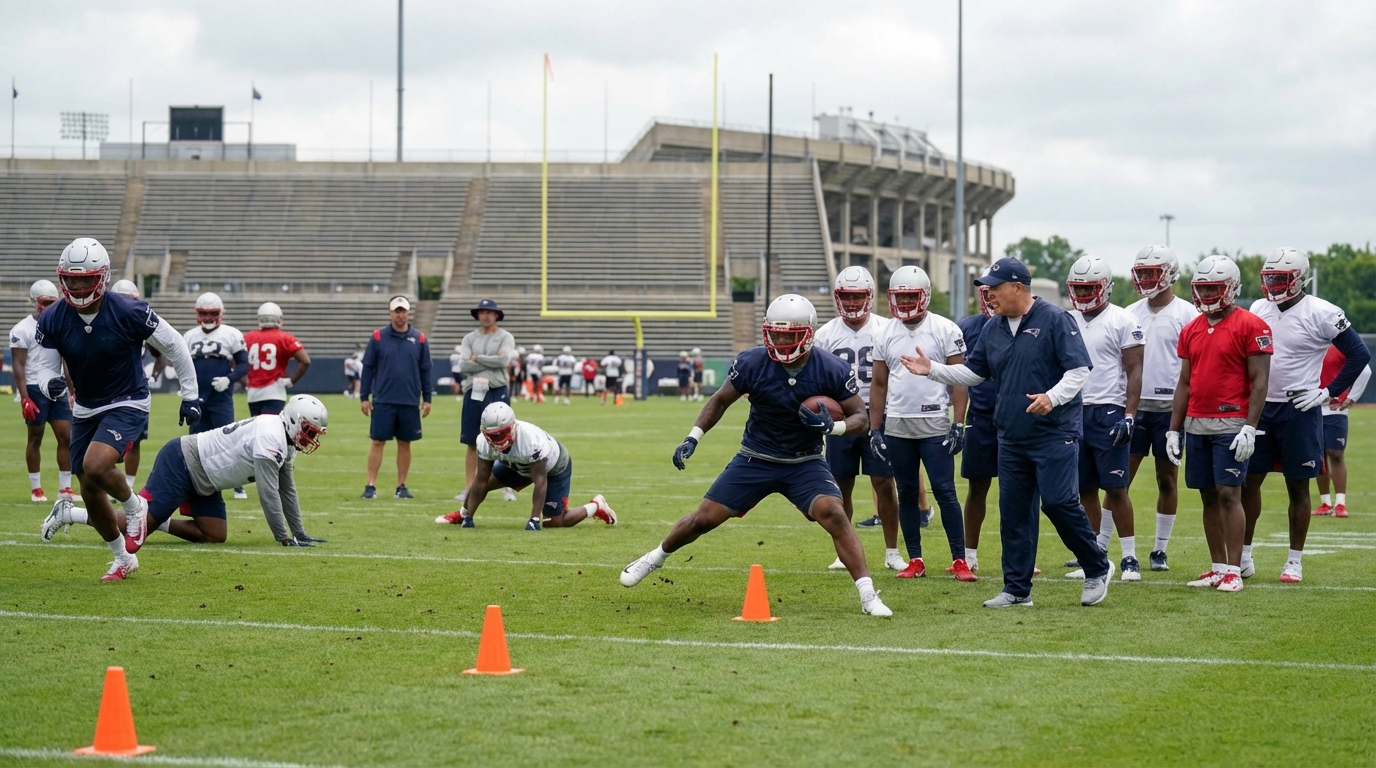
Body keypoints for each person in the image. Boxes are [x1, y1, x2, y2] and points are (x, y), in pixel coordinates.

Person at [620, 294, 893, 617]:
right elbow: (720, 400)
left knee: (834, 512)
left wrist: (832, 427)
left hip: (803, 461)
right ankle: (654, 558)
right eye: (775, 333)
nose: (779, 341)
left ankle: (867, 595)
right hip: (756, 458)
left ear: (807, 334)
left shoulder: (831, 368)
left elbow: (860, 417)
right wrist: (693, 437)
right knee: (703, 519)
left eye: (787, 336)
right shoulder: (751, 362)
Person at [901, 257, 1113, 608]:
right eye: (986, 288)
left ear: (1018, 287)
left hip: (1054, 432)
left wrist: (1052, 398)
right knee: (1014, 514)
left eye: (994, 287)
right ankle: (1017, 590)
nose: (989, 294)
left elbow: (1079, 371)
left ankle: (1096, 566)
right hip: (1011, 436)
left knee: (1059, 503)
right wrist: (933, 370)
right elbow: (974, 373)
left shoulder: (1055, 319)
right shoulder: (993, 328)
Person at [35, 237, 200, 581]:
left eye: (86, 279)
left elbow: (175, 344)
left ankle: (135, 505)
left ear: (103, 277)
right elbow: (45, 365)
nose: (78, 287)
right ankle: (122, 557)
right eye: (72, 279)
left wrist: (191, 395)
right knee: (88, 488)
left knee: (96, 465)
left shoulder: (129, 310)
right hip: (85, 406)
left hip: (128, 399)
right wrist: (49, 381)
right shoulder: (52, 318)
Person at [44, 395, 330, 549]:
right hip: (183, 463)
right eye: (308, 431)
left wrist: (300, 533)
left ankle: (158, 519)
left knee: (214, 534)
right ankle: (70, 513)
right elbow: (269, 494)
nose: (309, 438)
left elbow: (286, 489)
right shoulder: (272, 437)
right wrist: (284, 537)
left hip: (206, 479)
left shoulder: (284, 439)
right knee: (133, 527)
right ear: (294, 420)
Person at [1243, 248, 1371, 582]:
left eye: (1280, 278)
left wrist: (1327, 392)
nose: (1273, 285)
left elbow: (1359, 355)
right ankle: (1243, 555)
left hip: (1299, 409)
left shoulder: (1322, 312)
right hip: (1260, 408)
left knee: (1298, 487)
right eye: (1269, 278)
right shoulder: (1259, 308)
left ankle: (1294, 561)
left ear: (1300, 279)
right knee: (1247, 483)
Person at [1165, 255, 1272, 592]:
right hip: (1196, 422)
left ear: (1231, 288)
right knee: (1208, 496)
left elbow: (1260, 381)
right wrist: (1173, 427)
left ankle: (1235, 570)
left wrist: (1250, 426)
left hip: (1231, 421)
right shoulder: (1191, 329)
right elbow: (1184, 382)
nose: (1208, 293)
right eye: (1203, 287)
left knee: (1229, 494)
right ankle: (1217, 566)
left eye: (1214, 287)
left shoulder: (1252, 325)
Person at [869, 266, 974, 581]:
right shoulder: (885, 332)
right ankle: (915, 559)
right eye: (900, 296)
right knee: (907, 490)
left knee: (944, 491)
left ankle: (960, 559)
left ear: (924, 295)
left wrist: (958, 422)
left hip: (933, 421)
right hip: (898, 423)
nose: (904, 302)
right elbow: (878, 384)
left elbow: (960, 380)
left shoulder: (945, 329)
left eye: (910, 295)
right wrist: (875, 429)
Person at [813, 266, 904, 572]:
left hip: (878, 415)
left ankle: (892, 551)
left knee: (884, 483)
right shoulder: (825, 334)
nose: (851, 302)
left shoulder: (886, 328)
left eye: (857, 295)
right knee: (840, 487)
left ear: (868, 296)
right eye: (846, 296)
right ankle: (844, 551)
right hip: (841, 419)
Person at [1061, 256, 1145, 582]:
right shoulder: (1066, 320)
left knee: (1116, 487)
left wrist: (1130, 415)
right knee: (1084, 490)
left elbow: (1135, 370)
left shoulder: (1123, 319)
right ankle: (1096, 559)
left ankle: (1130, 558)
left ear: (1105, 287)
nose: (1083, 295)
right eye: (1078, 288)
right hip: (1073, 409)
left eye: (1089, 288)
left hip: (1109, 410)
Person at [1124, 245, 1198, 571]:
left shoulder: (1188, 314)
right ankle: (1099, 547)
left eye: (1152, 273)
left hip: (1171, 408)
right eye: (1141, 273)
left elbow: (1194, 366)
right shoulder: (1129, 312)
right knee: (1118, 480)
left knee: (1167, 479)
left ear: (1169, 273)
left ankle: (1159, 550)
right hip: (1136, 407)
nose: (1145, 280)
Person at [437, 402, 617, 530]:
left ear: (512, 426)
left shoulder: (530, 441)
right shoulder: (484, 442)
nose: (499, 440)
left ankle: (596, 506)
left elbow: (540, 482)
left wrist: (533, 519)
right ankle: (463, 513)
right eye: (494, 435)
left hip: (553, 466)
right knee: (483, 483)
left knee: (554, 522)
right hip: (518, 463)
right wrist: (468, 517)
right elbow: (480, 480)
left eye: (502, 434)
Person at [360, 296, 432, 500]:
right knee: (377, 442)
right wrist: (364, 397)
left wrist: (427, 398)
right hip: (383, 399)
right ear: (390, 313)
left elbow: (425, 370)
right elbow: (368, 368)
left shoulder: (419, 339)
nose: (400, 315)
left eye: (404, 311)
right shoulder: (378, 337)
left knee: (405, 443)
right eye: (396, 311)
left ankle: (401, 485)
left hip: (409, 400)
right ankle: (371, 485)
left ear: (409, 313)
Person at [10, 279, 73, 503]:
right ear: (35, 302)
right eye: (45, 302)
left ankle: (65, 488)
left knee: (66, 437)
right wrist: (25, 397)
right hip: (34, 387)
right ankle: (36, 488)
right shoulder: (22, 329)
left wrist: (72, 390)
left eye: (52, 302)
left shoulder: (60, 325)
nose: (48, 307)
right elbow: (18, 365)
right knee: (35, 438)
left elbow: (66, 360)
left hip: (56, 388)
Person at [185, 292, 250, 499]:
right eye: (204, 312)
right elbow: (182, 364)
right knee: (196, 442)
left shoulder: (231, 334)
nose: (208, 317)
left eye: (212, 313)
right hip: (196, 397)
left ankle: (238, 482)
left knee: (228, 441)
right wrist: (186, 388)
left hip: (221, 397)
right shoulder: (189, 336)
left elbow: (243, 364)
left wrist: (229, 379)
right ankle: (199, 482)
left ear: (220, 313)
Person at [454, 299, 518, 504]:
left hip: (496, 389)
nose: (486, 315)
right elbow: (463, 365)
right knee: (472, 442)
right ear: (478, 315)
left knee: (505, 441)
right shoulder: (469, 338)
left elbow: (503, 361)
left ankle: (507, 486)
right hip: (474, 391)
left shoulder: (505, 337)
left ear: (497, 315)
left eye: (490, 312)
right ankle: (469, 488)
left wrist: (477, 358)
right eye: (482, 312)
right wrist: (489, 359)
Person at [1314, 344, 1370, 517]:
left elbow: (1365, 370)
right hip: (1312, 408)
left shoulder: (1340, 347)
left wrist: (1353, 397)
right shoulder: (1310, 345)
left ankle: (1340, 503)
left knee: (1336, 453)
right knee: (1319, 456)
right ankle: (1325, 502)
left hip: (1335, 409)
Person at [108, 280, 154, 490]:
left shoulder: (141, 322)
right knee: (105, 442)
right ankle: (108, 485)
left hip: (134, 390)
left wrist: (155, 373)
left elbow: (161, 350)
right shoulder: (104, 322)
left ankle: (128, 485)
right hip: (106, 390)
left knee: (135, 441)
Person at [244, 302, 310, 416]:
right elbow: (305, 361)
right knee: (271, 429)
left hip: (253, 393)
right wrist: (291, 381)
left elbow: (234, 361)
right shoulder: (285, 338)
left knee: (257, 429)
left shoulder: (247, 337)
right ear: (278, 319)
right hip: (275, 391)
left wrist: (245, 381)